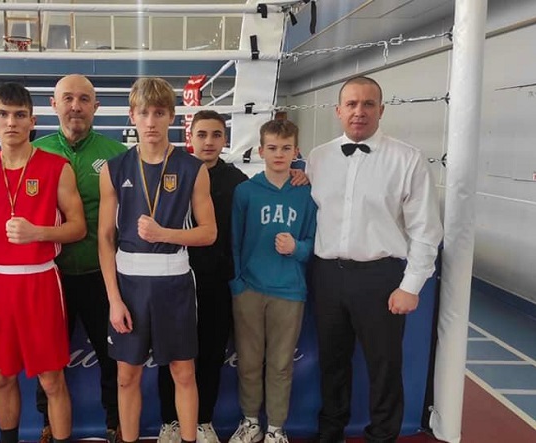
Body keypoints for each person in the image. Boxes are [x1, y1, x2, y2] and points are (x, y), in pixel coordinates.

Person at [306, 76, 443, 443]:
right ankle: (330, 433)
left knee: (384, 366)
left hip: (380, 277)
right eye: (351, 104)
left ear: (381, 110)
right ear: (338, 111)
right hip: (326, 274)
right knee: (332, 363)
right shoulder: (318, 158)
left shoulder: (407, 159)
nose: (359, 111)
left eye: (368, 104)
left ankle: (382, 436)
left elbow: (426, 229)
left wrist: (411, 286)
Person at [0, 82, 86, 443]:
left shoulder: (56, 167)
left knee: (52, 379)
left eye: (19, 115)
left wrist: (39, 233)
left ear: (32, 121)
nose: (11, 122)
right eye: (3, 114)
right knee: (1, 376)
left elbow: (79, 228)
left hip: (40, 282)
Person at [98, 77, 217, 443]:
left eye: (159, 113)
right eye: (144, 113)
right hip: (129, 285)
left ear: (171, 117)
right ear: (132, 116)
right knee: (126, 376)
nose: (151, 121)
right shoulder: (113, 169)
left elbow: (208, 233)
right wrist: (114, 299)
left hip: (174, 282)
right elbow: (105, 238)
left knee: (183, 372)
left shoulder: (192, 168)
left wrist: (164, 233)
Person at [34, 74, 127, 443]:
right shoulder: (35, 152)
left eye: (84, 99)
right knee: (47, 357)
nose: (76, 106)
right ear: (53, 105)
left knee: (111, 355)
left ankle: (116, 422)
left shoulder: (117, 153)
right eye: (68, 98)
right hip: (49, 275)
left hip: (101, 273)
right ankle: (48, 423)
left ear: (96, 107)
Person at [156, 110, 248, 443]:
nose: (209, 142)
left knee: (210, 354)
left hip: (216, 281)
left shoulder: (237, 181)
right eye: (202, 134)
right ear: (190, 137)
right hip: (173, 278)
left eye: (216, 135)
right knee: (171, 355)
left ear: (225, 139)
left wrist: (298, 174)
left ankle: (203, 421)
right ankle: (170, 421)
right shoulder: (172, 170)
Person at [227, 120, 317, 443]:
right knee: (249, 362)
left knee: (280, 364)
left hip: (289, 291)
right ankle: (251, 421)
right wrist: (238, 283)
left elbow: (314, 242)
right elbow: (234, 241)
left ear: (296, 152)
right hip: (250, 290)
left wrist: (297, 248)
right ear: (261, 151)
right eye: (273, 148)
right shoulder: (245, 192)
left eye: (286, 148)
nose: (279, 154)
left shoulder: (306, 193)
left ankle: (276, 428)